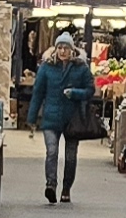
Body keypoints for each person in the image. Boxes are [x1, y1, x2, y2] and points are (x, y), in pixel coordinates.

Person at [28, 36, 101, 204]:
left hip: (72, 119)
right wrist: (32, 118)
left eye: (66, 48)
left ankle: (66, 188)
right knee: (52, 152)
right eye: (60, 47)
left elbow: (90, 90)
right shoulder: (46, 67)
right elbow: (38, 93)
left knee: (70, 157)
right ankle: (51, 185)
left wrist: (75, 93)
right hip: (51, 118)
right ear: (55, 49)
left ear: (72, 49)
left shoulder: (81, 68)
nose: (62, 51)